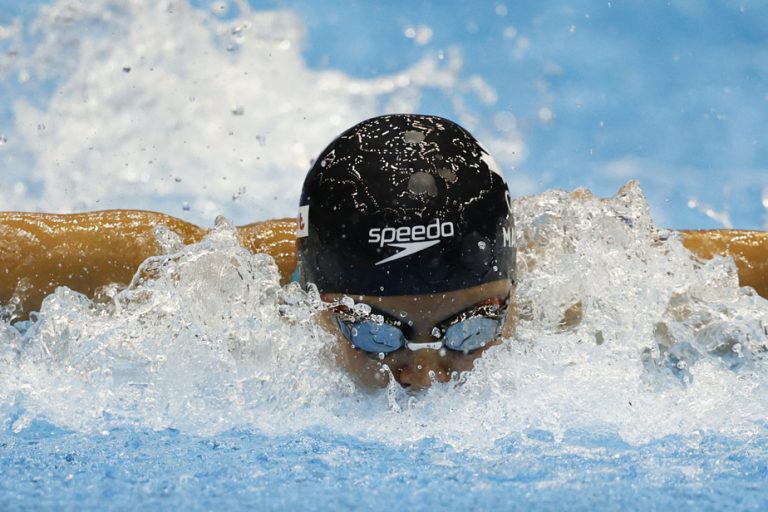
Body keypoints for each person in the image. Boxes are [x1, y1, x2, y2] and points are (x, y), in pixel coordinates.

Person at [1, 114, 767, 389]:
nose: (422, 372)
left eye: (471, 330)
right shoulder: (218, 284)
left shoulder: (603, 279)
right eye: (372, 330)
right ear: (311, 294)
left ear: (515, 286)